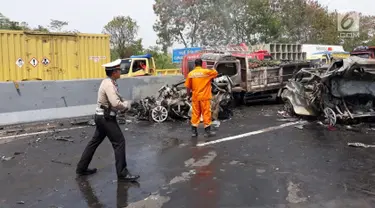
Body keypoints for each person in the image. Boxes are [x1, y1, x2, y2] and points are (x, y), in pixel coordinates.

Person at [76, 65, 140, 182]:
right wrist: (125, 105)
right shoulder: (109, 84)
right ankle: (122, 173)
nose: (120, 72)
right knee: (119, 142)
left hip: (101, 117)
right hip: (106, 119)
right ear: (114, 72)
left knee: (94, 142)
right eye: (119, 70)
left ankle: (81, 168)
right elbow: (115, 103)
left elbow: (115, 99)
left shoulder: (109, 82)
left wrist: (124, 102)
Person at [185, 58, 218, 137]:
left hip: (195, 97)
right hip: (204, 97)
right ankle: (207, 132)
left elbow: (188, 87)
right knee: (206, 113)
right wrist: (212, 67)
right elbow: (215, 73)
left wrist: (188, 95)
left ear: (195, 64)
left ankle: (194, 132)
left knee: (195, 114)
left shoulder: (191, 74)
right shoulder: (206, 72)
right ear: (202, 64)